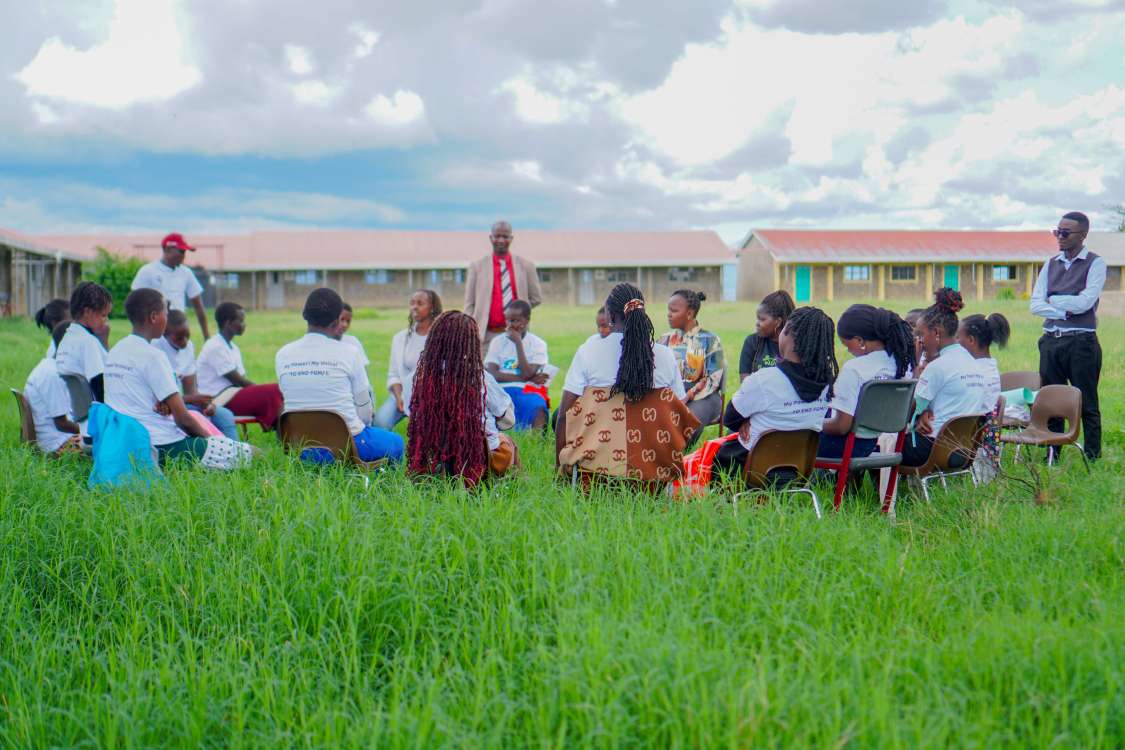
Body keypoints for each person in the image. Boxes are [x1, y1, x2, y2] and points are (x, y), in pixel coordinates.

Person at [104, 289, 253, 469]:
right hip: (161, 444)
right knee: (255, 455)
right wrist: (214, 442)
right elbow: (183, 420)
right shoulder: (153, 356)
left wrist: (166, 404)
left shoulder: (115, 351)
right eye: (165, 314)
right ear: (153, 317)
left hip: (125, 444)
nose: (167, 319)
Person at [556, 283, 688, 463]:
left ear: (610, 315)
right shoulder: (665, 355)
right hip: (652, 474)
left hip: (594, 473)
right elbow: (679, 414)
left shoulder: (588, 351)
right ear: (642, 313)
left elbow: (564, 415)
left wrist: (560, 468)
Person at [276, 288, 404, 465]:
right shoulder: (349, 352)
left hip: (303, 447)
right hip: (348, 442)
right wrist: (364, 426)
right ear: (337, 320)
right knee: (396, 442)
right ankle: (374, 478)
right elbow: (364, 406)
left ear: (304, 315)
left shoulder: (283, 354)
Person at [714, 307, 837, 480]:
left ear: (787, 333)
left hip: (749, 469)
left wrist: (747, 420)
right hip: (799, 471)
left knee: (716, 453)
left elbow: (730, 418)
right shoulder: (827, 384)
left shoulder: (765, 379)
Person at [407, 310, 518, 486]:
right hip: (480, 459)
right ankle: (509, 488)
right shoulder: (481, 379)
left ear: (435, 341)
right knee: (508, 442)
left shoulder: (421, 380)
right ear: (471, 343)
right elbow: (508, 421)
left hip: (437, 458)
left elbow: (412, 414)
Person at [1030, 211, 1105, 461]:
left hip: (1081, 342)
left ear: (1082, 235)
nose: (1059, 237)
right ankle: (1052, 455)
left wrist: (1053, 299)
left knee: (1086, 400)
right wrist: (1064, 307)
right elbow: (1035, 305)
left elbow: (1085, 303)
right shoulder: (1050, 263)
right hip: (1051, 341)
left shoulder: (1095, 263)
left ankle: (1093, 456)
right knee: (1051, 400)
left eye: (1065, 233)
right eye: (1057, 231)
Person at [819, 305, 916, 459]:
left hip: (844, 445)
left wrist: (811, 424)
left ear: (859, 340)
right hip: (870, 443)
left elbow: (841, 427)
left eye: (846, 344)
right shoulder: (902, 364)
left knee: (799, 437)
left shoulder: (855, 369)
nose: (847, 350)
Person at [902, 288, 986, 467]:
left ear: (936, 333)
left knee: (874, 443)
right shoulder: (971, 361)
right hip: (963, 449)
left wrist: (916, 370)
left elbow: (907, 411)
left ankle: (877, 495)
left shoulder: (937, 367)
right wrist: (924, 412)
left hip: (931, 448)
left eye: (921, 334)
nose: (919, 341)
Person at [195, 302, 284, 430]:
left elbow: (241, 379)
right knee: (275, 390)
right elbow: (237, 380)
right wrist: (260, 390)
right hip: (218, 400)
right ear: (227, 323)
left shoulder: (233, 347)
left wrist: (259, 391)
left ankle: (284, 437)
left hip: (232, 394)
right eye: (241, 321)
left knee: (277, 393)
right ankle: (284, 439)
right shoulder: (214, 346)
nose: (244, 325)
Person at [153, 309, 239, 439]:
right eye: (179, 338)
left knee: (225, 415)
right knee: (194, 416)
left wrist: (205, 404)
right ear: (164, 334)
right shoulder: (156, 349)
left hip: (184, 402)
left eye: (188, 335)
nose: (185, 341)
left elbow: (190, 390)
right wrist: (192, 400)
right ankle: (216, 449)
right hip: (166, 407)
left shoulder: (188, 347)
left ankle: (237, 453)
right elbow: (157, 399)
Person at [464, 220, 543, 354]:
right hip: (486, 336)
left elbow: (536, 298)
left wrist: (519, 314)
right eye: (497, 236)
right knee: (486, 374)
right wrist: (471, 331)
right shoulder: (477, 267)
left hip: (517, 335)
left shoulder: (526, 266)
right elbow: (469, 304)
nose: (501, 240)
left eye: (505, 236)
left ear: (511, 238)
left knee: (516, 372)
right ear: (491, 238)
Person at [660, 289, 725, 445]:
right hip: (672, 394)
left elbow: (712, 380)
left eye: (674, 310)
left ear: (689, 314)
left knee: (687, 420)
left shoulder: (710, 340)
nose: (669, 314)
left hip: (705, 396)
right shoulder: (664, 340)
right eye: (668, 310)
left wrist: (687, 396)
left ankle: (678, 457)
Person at [374, 289, 442, 430]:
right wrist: (399, 398)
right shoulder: (400, 338)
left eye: (420, 303)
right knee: (380, 423)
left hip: (433, 397)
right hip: (403, 395)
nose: (414, 307)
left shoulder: (441, 338)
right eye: (412, 303)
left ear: (432, 308)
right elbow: (394, 374)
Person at [957, 312, 1011, 481]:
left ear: (971, 341)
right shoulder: (987, 367)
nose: (955, 342)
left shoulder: (976, 375)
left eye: (958, 338)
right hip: (983, 438)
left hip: (974, 441)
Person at [485, 299, 551, 430]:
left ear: (527, 320)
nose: (510, 325)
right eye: (508, 320)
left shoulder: (538, 344)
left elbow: (527, 372)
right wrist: (526, 377)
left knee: (538, 407)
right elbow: (492, 374)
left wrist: (518, 343)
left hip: (526, 389)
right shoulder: (497, 342)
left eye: (515, 320)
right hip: (501, 388)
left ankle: (535, 442)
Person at [130, 232, 210, 338]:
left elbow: (198, 306)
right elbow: (134, 304)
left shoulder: (186, 272)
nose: (184, 255)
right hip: (155, 332)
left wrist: (206, 336)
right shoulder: (148, 271)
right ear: (168, 249)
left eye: (185, 252)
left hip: (179, 332)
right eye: (181, 251)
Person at [24, 322, 84, 454]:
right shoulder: (53, 375)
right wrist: (90, 430)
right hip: (57, 445)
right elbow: (62, 424)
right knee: (112, 443)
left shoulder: (50, 366)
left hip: (55, 438)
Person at [55, 281, 113, 402]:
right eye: (103, 315)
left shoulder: (67, 338)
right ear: (87, 312)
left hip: (74, 411)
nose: (106, 320)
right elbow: (99, 383)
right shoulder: (88, 342)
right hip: (91, 414)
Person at [739, 289, 795, 381]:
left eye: (762, 319)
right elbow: (745, 383)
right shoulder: (752, 342)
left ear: (778, 322)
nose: (757, 323)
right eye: (757, 318)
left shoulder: (796, 345)